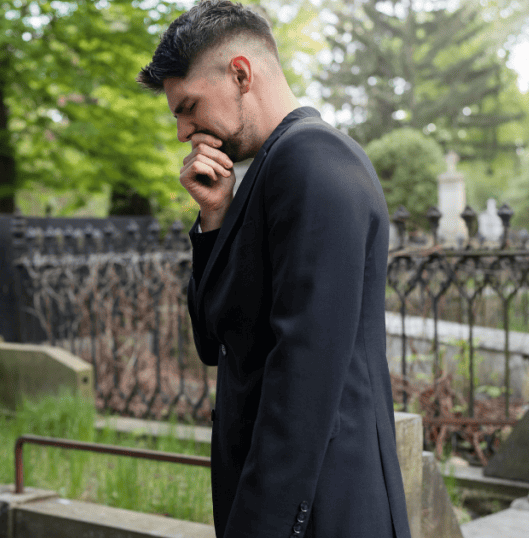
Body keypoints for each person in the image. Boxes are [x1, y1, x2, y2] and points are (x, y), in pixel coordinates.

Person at [137, 2, 411, 537]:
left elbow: (303, 375)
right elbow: (212, 341)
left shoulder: (312, 161)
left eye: (188, 106)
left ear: (241, 74)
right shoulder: (266, 173)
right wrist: (214, 219)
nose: (182, 131)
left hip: (323, 508)